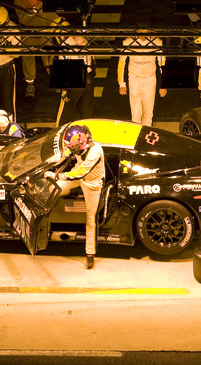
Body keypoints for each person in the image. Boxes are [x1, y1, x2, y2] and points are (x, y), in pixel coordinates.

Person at [45, 124, 104, 270]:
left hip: (92, 184)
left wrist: (56, 175)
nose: (72, 150)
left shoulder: (95, 152)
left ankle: (90, 253)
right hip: (79, 174)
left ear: (81, 143)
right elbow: (69, 156)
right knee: (53, 188)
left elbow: (80, 173)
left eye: (73, 148)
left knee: (91, 219)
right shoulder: (78, 143)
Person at [13, 0, 58, 98]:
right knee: (28, 59)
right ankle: (30, 84)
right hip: (29, 34)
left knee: (50, 58)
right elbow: (22, 17)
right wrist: (37, 9)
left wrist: (44, 3)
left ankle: (56, 81)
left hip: (45, 32)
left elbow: (54, 2)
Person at [118, 25, 166, 126]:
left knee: (148, 113)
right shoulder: (128, 42)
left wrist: (163, 84)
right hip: (135, 80)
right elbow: (122, 63)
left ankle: (146, 137)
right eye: (141, 30)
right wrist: (122, 84)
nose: (143, 32)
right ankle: (136, 137)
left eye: (146, 30)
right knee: (136, 114)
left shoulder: (156, 42)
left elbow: (162, 63)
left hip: (150, 79)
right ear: (137, 30)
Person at [57, 35, 95, 122]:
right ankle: (87, 132)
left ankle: (59, 132)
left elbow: (63, 64)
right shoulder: (85, 40)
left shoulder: (65, 43)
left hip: (74, 75)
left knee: (65, 112)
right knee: (86, 113)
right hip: (87, 76)